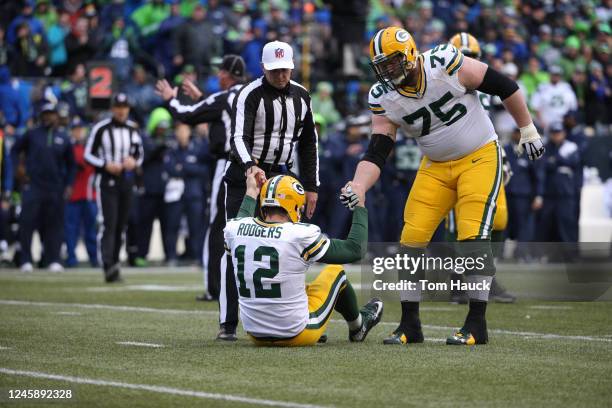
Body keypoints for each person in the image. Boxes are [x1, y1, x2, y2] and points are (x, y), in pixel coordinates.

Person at [340, 27, 544, 346]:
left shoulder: (444, 62)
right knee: (411, 238)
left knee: (472, 236)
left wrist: (528, 129)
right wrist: (359, 185)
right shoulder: (382, 97)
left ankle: (476, 324)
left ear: (409, 56)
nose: (387, 71)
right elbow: (377, 149)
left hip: (478, 156)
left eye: (392, 63)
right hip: (435, 166)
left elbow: (505, 85)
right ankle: (410, 325)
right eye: (381, 66)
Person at [220, 41, 320, 340]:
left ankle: (296, 318)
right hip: (246, 178)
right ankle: (228, 323)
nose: (280, 75)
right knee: (235, 247)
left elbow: (308, 143)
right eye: (275, 70)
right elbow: (238, 137)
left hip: (281, 179)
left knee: (291, 248)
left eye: (285, 69)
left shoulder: (302, 96)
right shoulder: (249, 94)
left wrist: (312, 187)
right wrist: (251, 166)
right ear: (264, 68)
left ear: (292, 65)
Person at [223, 172, 383, 346]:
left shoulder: (235, 228)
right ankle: (358, 326)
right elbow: (355, 249)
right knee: (336, 271)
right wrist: (360, 205)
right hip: (297, 332)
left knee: (296, 284)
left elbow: (241, 221)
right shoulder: (299, 234)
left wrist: (251, 190)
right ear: (294, 206)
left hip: (255, 334)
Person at [156, 54, 246, 302]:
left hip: (227, 163)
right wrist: (203, 99)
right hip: (253, 166)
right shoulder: (251, 93)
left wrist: (171, 100)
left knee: (218, 225)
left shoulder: (224, 96)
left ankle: (214, 287)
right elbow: (226, 112)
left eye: (221, 71)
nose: (218, 75)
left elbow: (187, 115)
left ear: (227, 74)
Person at [446, 32, 516, 304]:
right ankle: (458, 281)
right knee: (460, 223)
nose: (468, 62)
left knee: (499, 219)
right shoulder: (442, 86)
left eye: (472, 57)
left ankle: (487, 276)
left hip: (487, 156)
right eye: (463, 56)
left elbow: (491, 126)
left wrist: (504, 157)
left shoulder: (485, 88)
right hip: (455, 160)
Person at [84, 93, 143, 283]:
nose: (121, 110)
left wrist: (133, 162)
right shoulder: (101, 129)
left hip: (126, 181)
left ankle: (115, 264)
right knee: (109, 222)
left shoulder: (133, 129)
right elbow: (88, 154)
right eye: (118, 107)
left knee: (121, 225)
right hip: (107, 180)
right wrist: (105, 164)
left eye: (124, 107)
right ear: (112, 109)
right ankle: (107, 264)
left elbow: (140, 154)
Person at [11, 103, 75, 273]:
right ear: (41, 115)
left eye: (51, 114)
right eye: (45, 114)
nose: (48, 117)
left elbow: (72, 164)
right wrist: (18, 167)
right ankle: (25, 259)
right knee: (27, 222)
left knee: (55, 224)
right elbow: (14, 150)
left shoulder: (63, 137)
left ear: (56, 116)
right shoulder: (32, 134)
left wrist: (69, 185)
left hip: (55, 186)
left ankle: (53, 259)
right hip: (33, 184)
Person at [163, 122, 208, 265]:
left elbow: (202, 170)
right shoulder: (171, 150)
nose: (182, 134)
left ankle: (195, 256)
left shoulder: (198, 149)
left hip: (194, 193)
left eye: (184, 130)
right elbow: (170, 169)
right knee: (172, 225)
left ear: (189, 132)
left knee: (195, 226)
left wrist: (183, 167)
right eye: (179, 131)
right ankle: (171, 256)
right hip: (176, 194)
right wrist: (189, 168)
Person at [536, 122, 580, 243]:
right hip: (549, 193)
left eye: (559, 133)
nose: (556, 136)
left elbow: (573, 162)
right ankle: (549, 255)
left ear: (564, 133)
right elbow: (544, 165)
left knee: (566, 223)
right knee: (547, 224)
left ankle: (570, 255)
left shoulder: (571, 147)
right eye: (554, 133)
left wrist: (556, 160)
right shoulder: (545, 147)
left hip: (566, 193)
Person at [64, 117, 98, 267]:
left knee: (91, 229)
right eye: (75, 130)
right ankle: (71, 258)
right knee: (72, 229)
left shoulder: (91, 148)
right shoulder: (68, 148)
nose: (78, 133)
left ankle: (94, 258)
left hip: (89, 194)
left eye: (80, 130)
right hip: (73, 195)